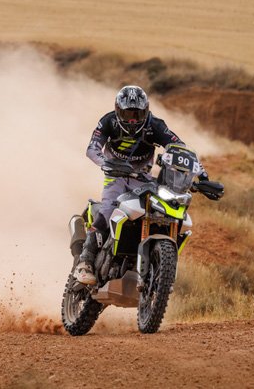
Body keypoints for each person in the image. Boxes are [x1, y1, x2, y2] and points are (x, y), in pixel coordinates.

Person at [75, 85, 186, 285]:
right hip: (115, 175)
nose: (133, 119)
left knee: (164, 210)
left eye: (138, 113)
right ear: (119, 111)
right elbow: (92, 148)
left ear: (146, 111)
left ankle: (156, 265)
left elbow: (179, 146)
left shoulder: (156, 125)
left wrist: (201, 175)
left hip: (143, 178)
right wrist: (105, 163)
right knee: (108, 209)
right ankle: (85, 262)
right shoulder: (108, 120)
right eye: (128, 114)